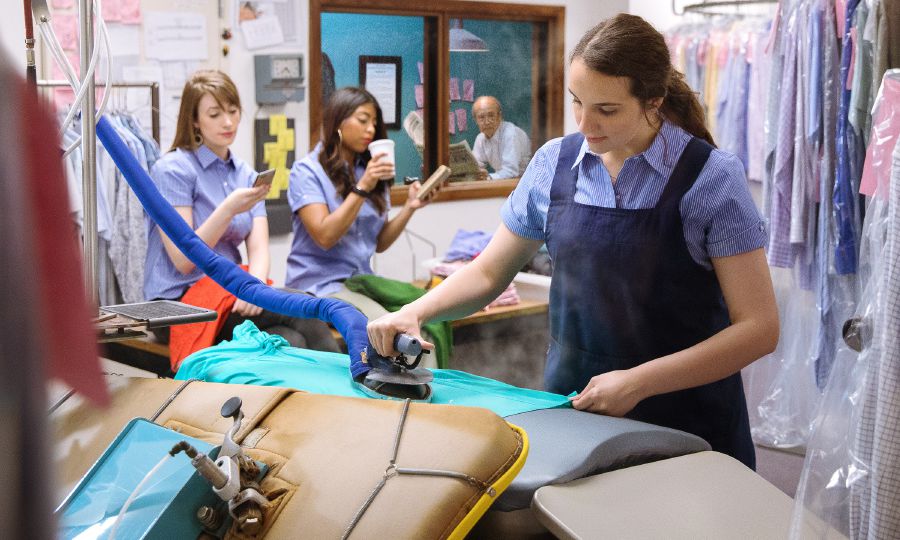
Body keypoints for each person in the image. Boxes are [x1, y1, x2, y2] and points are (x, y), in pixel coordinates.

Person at [368, 14, 778, 469]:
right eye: (577, 102)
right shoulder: (552, 165)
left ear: (654, 101)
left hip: (688, 420)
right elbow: (487, 272)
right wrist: (415, 312)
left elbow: (758, 329)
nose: (585, 123)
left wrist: (640, 382)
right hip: (574, 407)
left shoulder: (711, 179)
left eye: (607, 110)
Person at [144, 69, 339, 356]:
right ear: (194, 120)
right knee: (303, 309)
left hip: (230, 292)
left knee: (289, 341)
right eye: (214, 114)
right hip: (178, 304)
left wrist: (255, 285)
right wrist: (229, 208)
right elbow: (184, 260)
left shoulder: (246, 174)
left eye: (233, 111)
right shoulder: (173, 169)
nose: (228, 122)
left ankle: (330, 397)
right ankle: (348, 394)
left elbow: (259, 249)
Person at [285, 87, 437, 319]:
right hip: (317, 286)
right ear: (337, 121)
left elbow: (379, 243)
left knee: (425, 314)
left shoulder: (368, 170)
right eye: (363, 120)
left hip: (361, 282)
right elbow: (325, 236)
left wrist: (409, 207)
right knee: (388, 325)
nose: (371, 129)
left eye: (374, 122)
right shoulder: (307, 171)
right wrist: (363, 186)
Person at [471, 96, 532, 180]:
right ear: (476, 120)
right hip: (503, 183)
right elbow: (474, 166)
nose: (487, 122)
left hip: (524, 182)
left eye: (491, 115)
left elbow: (511, 172)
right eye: (481, 117)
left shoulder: (510, 133)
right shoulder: (480, 138)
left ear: (499, 116)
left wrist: (488, 177)